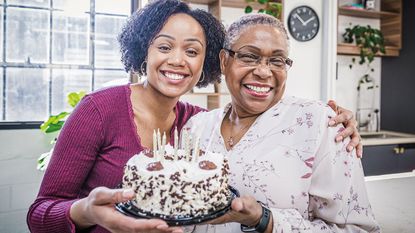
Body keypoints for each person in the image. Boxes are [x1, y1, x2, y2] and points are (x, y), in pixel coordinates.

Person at [27, 1, 361, 232]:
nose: (177, 60)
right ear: (143, 50)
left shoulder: (197, 124)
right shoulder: (98, 110)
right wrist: (84, 211)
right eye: (164, 46)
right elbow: (39, 213)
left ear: (208, 62)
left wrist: (333, 120)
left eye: (191, 51)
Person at [184, 14, 379, 232]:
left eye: (277, 60)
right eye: (249, 57)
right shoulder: (196, 127)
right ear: (224, 60)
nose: (263, 71)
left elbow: (360, 229)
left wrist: (265, 220)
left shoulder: (320, 124)